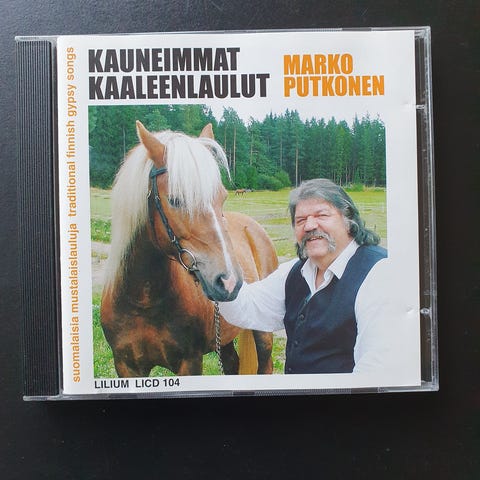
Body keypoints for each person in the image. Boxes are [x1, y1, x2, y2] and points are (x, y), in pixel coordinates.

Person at [219, 178, 392, 375]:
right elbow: (247, 307)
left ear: (348, 220)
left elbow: (375, 371)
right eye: (300, 220)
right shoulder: (295, 272)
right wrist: (217, 254)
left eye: (321, 215)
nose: (309, 226)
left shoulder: (380, 273)